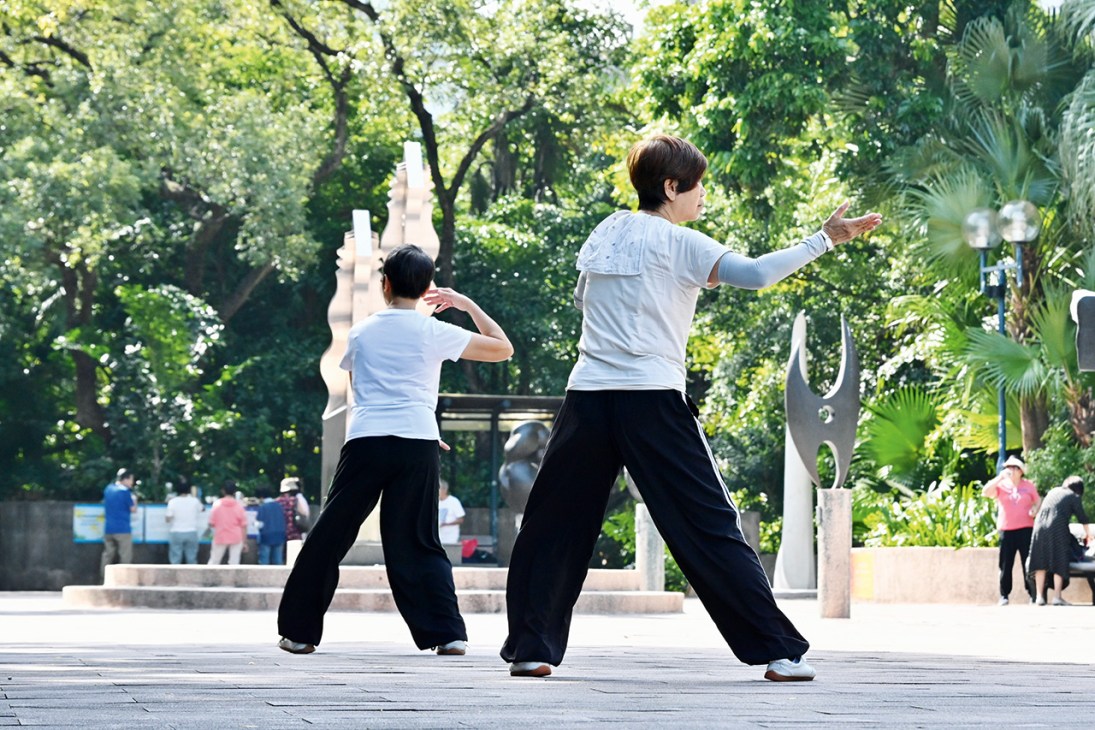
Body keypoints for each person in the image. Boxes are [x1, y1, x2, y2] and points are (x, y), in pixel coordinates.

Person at [500, 134, 882, 681]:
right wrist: (824, 238)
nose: (703, 194)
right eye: (696, 184)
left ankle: (531, 648)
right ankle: (777, 649)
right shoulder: (681, 242)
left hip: (586, 397)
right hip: (652, 401)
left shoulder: (604, 232)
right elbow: (755, 274)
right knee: (707, 524)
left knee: (552, 523)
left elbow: (585, 300)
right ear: (671, 187)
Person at [276, 243, 513, 656]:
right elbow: (502, 347)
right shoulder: (435, 331)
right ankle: (447, 634)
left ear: (385, 284)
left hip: (367, 440)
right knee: (417, 540)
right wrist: (465, 303)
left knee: (330, 535)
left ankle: (298, 631)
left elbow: (356, 385)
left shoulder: (362, 332)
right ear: (426, 290)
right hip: (416, 442)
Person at [982, 455, 1040, 605]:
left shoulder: (1028, 486)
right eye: (1008, 467)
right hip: (1007, 530)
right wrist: (999, 478)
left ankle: (1032, 593)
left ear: (1021, 471)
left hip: (1025, 529)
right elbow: (986, 492)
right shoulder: (1001, 486)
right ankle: (1004, 595)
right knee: (1006, 564)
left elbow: (1038, 501)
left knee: (1027, 562)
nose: (1010, 471)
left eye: (1014, 468)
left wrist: (1034, 509)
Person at [1027, 476, 1092, 606]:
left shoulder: (1053, 491)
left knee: (1040, 560)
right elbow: (1082, 517)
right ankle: (1057, 597)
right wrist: (1089, 534)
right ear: (1079, 489)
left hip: (1039, 526)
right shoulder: (1074, 496)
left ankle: (1039, 597)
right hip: (1058, 528)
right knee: (1059, 560)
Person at [101, 468, 138, 581]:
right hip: (123, 529)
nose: (132, 483)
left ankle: (103, 579)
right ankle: (123, 581)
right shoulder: (125, 492)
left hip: (108, 529)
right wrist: (135, 500)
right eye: (131, 480)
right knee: (125, 556)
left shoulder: (108, 489)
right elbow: (133, 509)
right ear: (125, 479)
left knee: (107, 555)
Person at [207, 481, 248, 565]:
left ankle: (209, 577)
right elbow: (244, 526)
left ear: (223, 491)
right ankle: (232, 578)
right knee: (234, 563)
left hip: (220, 535)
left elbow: (211, 523)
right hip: (236, 537)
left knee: (214, 561)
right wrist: (244, 542)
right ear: (234, 492)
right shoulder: (239, 505)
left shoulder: (217, 504)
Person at [165, 480, 204, 565]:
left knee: (175, 559)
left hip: (176, 532)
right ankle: (193, 576)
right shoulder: (194, 501)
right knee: (191, 558)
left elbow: (168, 518)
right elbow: (202, 509)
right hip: (191, 532)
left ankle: (174, 576)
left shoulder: (173, 502)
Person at [277, 477, 310, 558]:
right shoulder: (295, 500)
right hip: (294, 532)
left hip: (280, 531)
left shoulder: (277, 501)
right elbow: (305, 513)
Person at [256, 487, 288, 565]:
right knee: (278, 560)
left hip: (266, 536)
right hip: (280, 535)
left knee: (264, 560)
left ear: (261, 497)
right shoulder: (279, 506)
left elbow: (259, 524)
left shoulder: (263, 507)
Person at [437, 479, 465, 545]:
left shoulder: (453, 501)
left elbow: (460, 520)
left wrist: (446, 524)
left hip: (450, 537)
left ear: (444, 490)